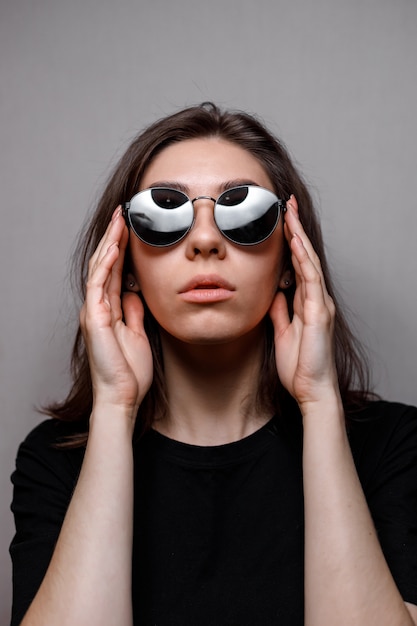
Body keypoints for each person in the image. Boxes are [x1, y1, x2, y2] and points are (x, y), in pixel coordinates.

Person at [10, 102, 417, 626]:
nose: (205, 241)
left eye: (243, 212)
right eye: (163, 213)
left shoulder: (394, 446)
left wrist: (318, 401)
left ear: (290, 260)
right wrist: (113, 407)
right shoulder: (54, 462)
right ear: (125, 262)